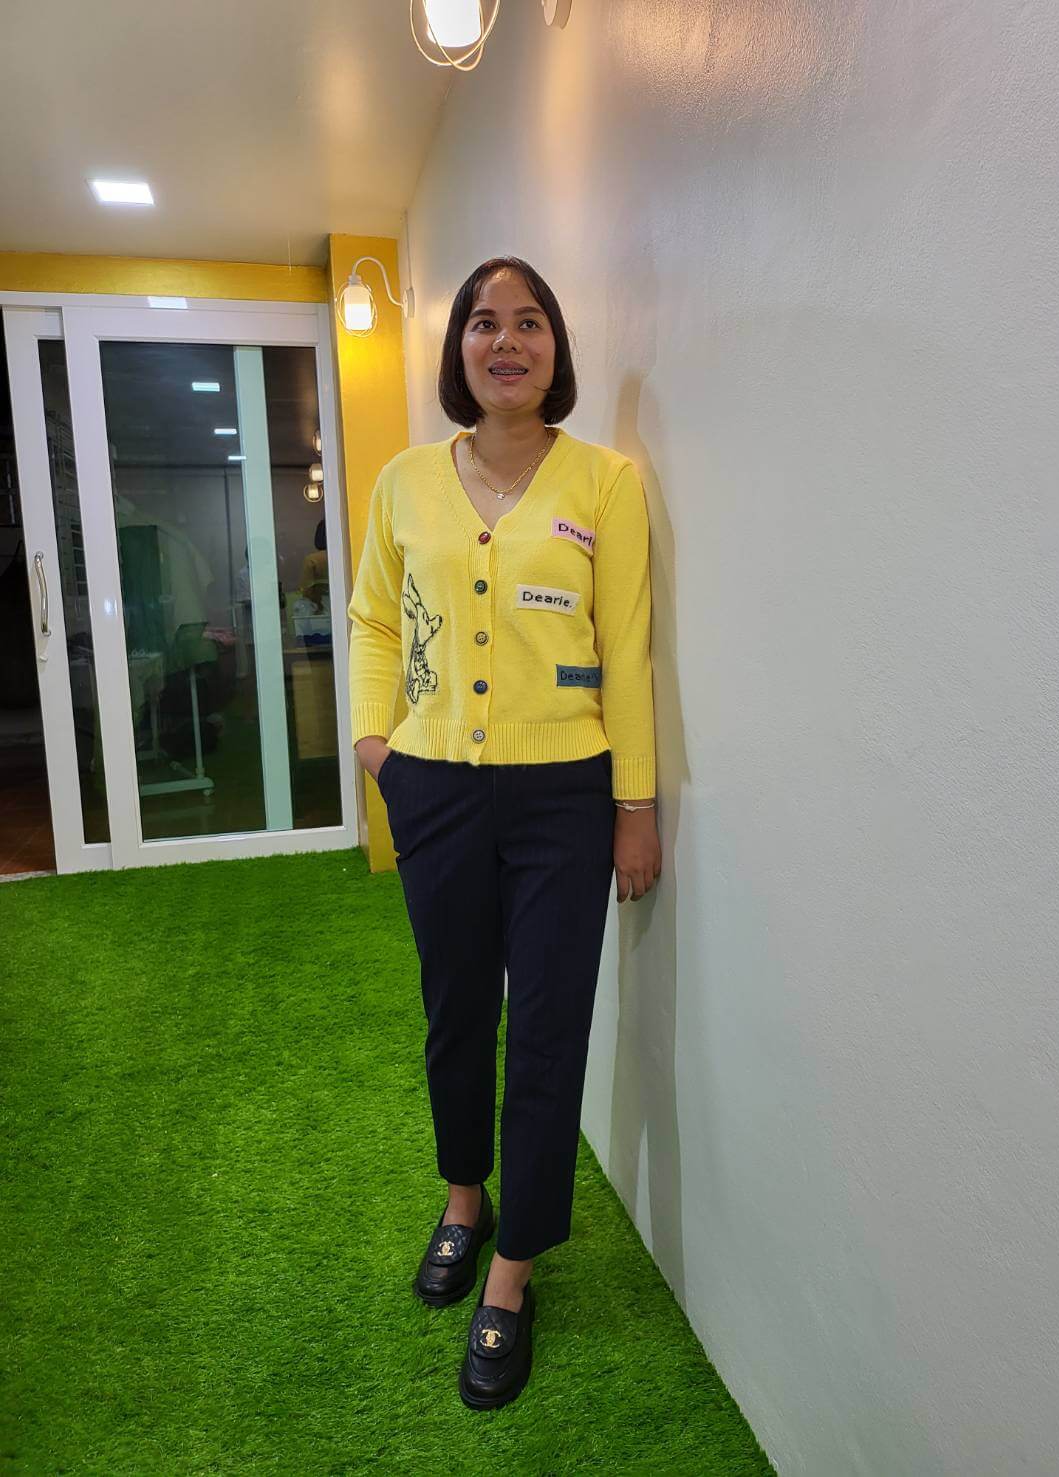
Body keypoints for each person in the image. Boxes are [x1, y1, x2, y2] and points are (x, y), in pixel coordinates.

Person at [347, 256, 661, 1409]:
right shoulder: (403, 482)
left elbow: (625, 648)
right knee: (455, 1011)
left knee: (545, 1029)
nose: (506, 341)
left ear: (555, 349)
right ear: (460, 350)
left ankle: (514, 1268)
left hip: (564, 797)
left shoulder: (605, 482)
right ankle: (462, 1198)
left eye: (529, 322)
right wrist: (377, 744)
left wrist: (635, 804)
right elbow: (374, 619)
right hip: (432, 787)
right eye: (484, 323)